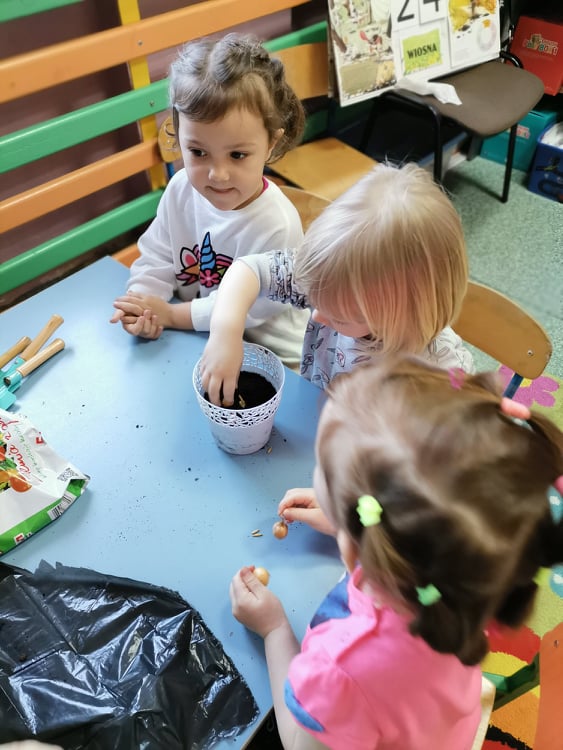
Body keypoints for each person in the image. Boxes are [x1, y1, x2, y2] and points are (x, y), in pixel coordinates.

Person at [229, 355, 563, 750]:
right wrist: (349, 524)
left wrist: (274, 630)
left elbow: (298, 742)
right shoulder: (473, 575)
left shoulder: (342, 671)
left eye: (322, 472)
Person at [199, 162, 474, 406]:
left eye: (339, 318)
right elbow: (249, 271)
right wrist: (226, 333)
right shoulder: (332, 281)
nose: (316, 317)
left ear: (396, 318)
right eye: (315, 302)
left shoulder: (438, 376)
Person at [110, 33, 309, 369]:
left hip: (278, 361)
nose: (218, 174)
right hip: (199, 340)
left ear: (271, 144)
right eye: (198, 152)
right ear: (178, 135)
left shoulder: (278, 225)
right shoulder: (180, 190)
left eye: (237, 155)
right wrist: (144, 304)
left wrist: (170, 315)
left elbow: (247, 310)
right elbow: (158, 254)